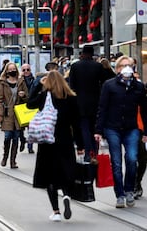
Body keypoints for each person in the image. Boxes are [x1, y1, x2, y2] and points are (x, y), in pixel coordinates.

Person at [27, 70, 83, 222]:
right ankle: (66, 194)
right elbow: (77, 123)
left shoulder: (45, 96)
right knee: (65, 171)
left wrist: (38, 85)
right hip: (65, 140)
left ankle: (56, 211)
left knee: (49, 177)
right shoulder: (71, 98)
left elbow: (29, 103)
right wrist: (80, 144)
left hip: (47, 141)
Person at [94, 55, 147, 208]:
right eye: (123, 65)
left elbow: (144, 110)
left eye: (129, 65)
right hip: (112, 128)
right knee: (116, 163)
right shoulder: (109, 85)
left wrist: (145, 131)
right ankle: (120, 194)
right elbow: (102, 108)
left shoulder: (138, 87)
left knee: (131, 159)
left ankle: (129, 189)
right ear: (117, 69)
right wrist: (98, 130)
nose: (127, 68)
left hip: (131, 128)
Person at [69, 45, 105, 162]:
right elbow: (103, 82)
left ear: (82, 53)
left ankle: (87, 153)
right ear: (92, 53)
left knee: (84, 128)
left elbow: (72, 85)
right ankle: (94, 151)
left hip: (80, 102)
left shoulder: (75, 66)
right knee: (94, 128)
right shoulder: (98, 66)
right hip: (95, 101)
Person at [0, 62, 28, 168]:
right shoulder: (3, 82)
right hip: (7, 113)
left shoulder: (21, 81)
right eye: (10, 69)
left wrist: (23, 95)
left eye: (14, 69)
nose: (12, 71)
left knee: (16, 137)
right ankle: (5, 157)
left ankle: (13, 161)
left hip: (18, 113)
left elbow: (28, 97)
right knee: (8, 136)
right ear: (6, 71)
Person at [19, 63, 35, 153]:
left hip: (31, 106)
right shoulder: (19, 80)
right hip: (21, 106)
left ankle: (30, 146)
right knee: (20, 129)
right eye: (24, 70)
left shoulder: (34, 80)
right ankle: (22, 140)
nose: (26, 72)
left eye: (27, 70)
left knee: (31, 128)